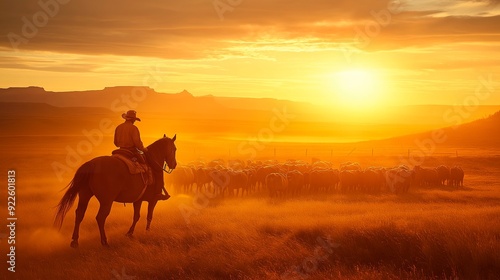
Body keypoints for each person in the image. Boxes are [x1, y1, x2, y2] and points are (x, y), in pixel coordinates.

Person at [114, 110, 170, 200]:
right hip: (131, 151)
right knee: (154, 167)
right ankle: (157, 192)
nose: (134, 121)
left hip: (120, 151)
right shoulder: (133, 128)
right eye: (134, 120)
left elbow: (116, 142)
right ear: (133, 120)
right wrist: (144, 149)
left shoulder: (118, 127)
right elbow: (137, 143)